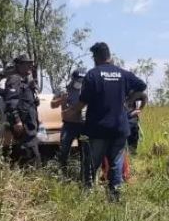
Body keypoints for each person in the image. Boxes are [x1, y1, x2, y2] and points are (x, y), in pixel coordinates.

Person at [77, 42, 147, 202]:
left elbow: (83, 101)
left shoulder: (92, 74)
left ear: (96, 57)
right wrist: (129, 99)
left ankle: (87, 197)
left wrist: (73, 111)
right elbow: (142, 86)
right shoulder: (123, 74)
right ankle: (114, 199)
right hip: (119, 128)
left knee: (91, 164)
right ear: (109, 55)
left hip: (98, 129)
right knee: (115, 163)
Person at [4, 55, 41, 167]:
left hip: (30, 124)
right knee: (30, 151)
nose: (30, 66)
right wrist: (17, 120)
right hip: (23, 124)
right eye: (27, 64)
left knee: (29, 150)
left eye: (30, 64)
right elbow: (11, 102)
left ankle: (26, 175)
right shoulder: (15, 79)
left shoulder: (26, 82)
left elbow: (27, 101)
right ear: (19, 65)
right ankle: (31, 177)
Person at [51, 68, 87, 171]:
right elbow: (52, 105)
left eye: (82, 80)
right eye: (78, 80)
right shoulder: (64, 89)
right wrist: (61, 99)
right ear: (73, 78)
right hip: (69, 126)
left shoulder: (86, 89)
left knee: (85, 151)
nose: (80, 83)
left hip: (84, 127)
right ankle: (63, 172)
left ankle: (84, 175)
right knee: (64, 150)